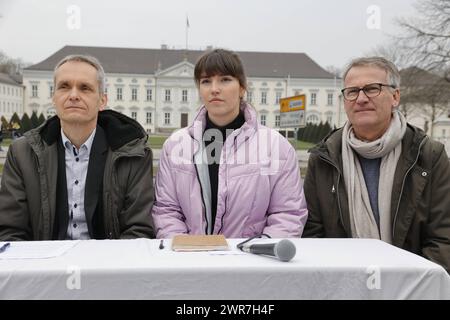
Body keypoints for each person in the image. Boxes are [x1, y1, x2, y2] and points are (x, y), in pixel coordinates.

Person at [303, 56, 450, 273]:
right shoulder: (324, 158)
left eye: (372, 89)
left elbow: (443, 238)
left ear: (395, 96)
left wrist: (406, 287)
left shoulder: (429, 156)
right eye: (352, 91)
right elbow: (312, 236)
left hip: (413, 289)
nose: (361, 99)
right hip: (342, 287)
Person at [152, 49, 308, 238]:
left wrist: (255, 256)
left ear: (242, 87)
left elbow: (288, 215)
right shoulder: (175, 146)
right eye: (206, 81)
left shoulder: (276, 147)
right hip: (190, 262)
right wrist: (185, 253)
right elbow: (166, 211)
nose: (214, 89)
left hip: (250, 263)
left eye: (225, 80)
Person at [0, 54, 155, 240]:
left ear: (102, 101)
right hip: (44, 266)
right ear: (54, 98)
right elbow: (10, 232)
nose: (73, 95)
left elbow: (138, 231)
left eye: (85, 88)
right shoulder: (22, 154)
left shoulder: (133, 154)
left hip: (108, 265)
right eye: (64, 87)